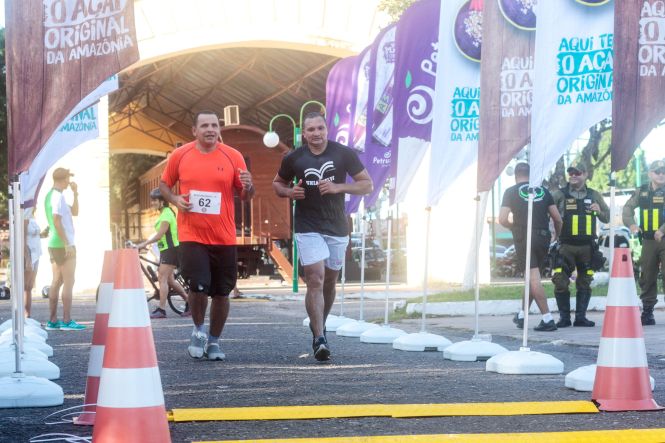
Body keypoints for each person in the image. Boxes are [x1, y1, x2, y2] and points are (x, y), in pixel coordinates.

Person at [272, 112, 373, 361]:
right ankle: (319, 338)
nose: (316, 134)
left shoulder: (344, 153)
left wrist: (339, 187)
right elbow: (277, 183)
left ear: (326, 130)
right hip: (307, 225)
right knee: (314, 279)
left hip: (337, 225)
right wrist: (288, 192)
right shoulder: (294, 157)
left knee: (329, 281)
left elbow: (367, 185)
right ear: (303, 133)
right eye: (311, 130)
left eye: (320, 128)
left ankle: (320, 324)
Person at [159, 110, 254, 361]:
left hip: (223, 236)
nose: (210, 129)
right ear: (194, 131)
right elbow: (164, 185)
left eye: (214, 125)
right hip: (192, 234)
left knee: (222, 292)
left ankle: (214, 341)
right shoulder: (180, 155)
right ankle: (198, 331)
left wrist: (249, 186)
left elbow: (245, 195)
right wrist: (175, 199)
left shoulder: (233, 156)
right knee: (199, 286)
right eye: (205, 126)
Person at [499, 162, 563, 331]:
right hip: (543, 237)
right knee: (532, 277)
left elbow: (503, 218)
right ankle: (522, 315)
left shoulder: (510, 192)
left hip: (524, 237)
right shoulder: (543, 191)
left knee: (533, 278)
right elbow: (557, 219)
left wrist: (514, 227)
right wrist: (557, 235)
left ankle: (548, 319)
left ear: (516, 176)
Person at [551, 161, 610, 328]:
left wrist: (599, 211)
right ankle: (564, 318)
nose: (573, 175)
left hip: (587, 247)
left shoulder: (594, 195)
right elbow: (545, 211)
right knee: (560, 280)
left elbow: (607, 217)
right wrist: (551, 234)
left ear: (585, 175)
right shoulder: (559, 195)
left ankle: (580, 318)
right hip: (565, 246)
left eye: (577, 173)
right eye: (571, 173)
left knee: (585, 281)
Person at [622, 159, 665, 326]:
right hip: (648, 241)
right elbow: (627, 209)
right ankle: (647, 312)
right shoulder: (642, 192)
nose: (661, 174)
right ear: (650, 174)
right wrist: (631, 224)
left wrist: (662, 230)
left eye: (663, 171)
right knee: (647, 276)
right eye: (657, 171)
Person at [135, 188, 189, 319]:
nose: (152, 203)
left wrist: (142, 244)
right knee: (170, 280)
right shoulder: (165, 212)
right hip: (167, 250)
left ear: (162, 201)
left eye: (155, 200)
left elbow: (159, 235)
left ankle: (161, 309)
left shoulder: (166, 215)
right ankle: (190, 302)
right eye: (152, 200)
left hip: (170, 250)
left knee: (162, 278)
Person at [44, 168, 85, 330]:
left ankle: (53, 321)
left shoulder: (51, 196)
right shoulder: (58, 197)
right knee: (69, 281)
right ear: (63, 178)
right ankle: (67, 321)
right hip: (63, 244)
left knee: (57, 281)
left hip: (54, 243)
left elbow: (74, 212)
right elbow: (56, 221)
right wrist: (67, 242)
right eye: (68, 178)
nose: (70, 181)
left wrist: (76, 193)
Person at [23, 207, 44, 318]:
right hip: (29, 255)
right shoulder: (25, 218)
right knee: (25, 286)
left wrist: (43, 234)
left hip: (36, 255)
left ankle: (28, 315)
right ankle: (24, 315)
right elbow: (23, 240)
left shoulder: (33, 218)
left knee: (30, 286)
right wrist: (27, 259)